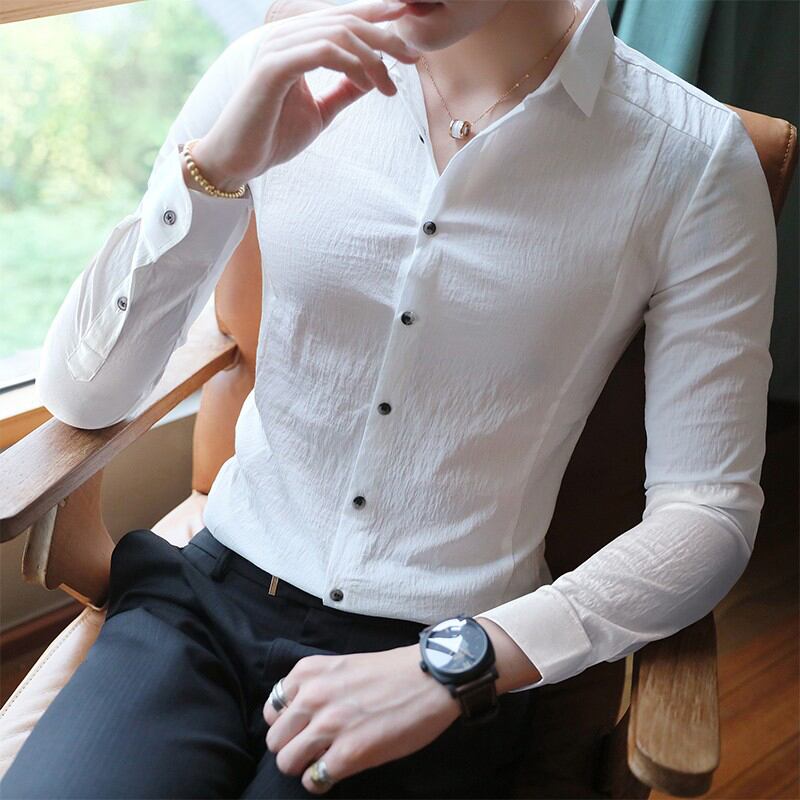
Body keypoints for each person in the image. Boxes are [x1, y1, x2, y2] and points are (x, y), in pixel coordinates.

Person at [0, 0, 776, 797]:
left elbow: (707, 514)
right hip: (204, 597)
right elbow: (84, 397)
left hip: (436, 652)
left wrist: (461, 663)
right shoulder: (278, 67)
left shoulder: (692, 160)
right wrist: (214, 172)